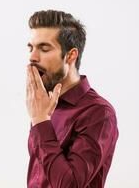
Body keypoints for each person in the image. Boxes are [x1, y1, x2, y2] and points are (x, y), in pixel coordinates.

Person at [26, 10, 119, 188]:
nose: (32, 57)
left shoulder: (99, 113)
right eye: (31, 48)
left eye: (44, 49)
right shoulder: (44, 106)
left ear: (71, 55)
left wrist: (40, 122)